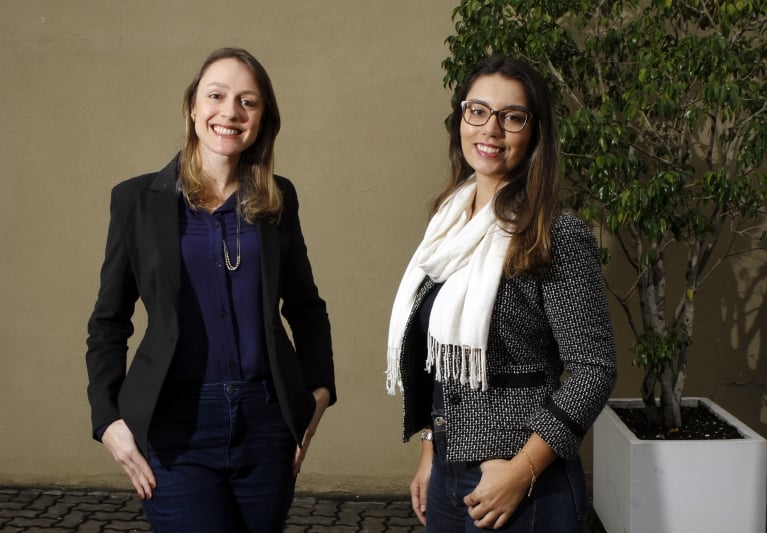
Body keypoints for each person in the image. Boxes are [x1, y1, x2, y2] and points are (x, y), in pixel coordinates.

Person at [86, 47, 336, 532]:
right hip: (174, 424)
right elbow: (109, 320)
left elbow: (306, 306)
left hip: (266, 420)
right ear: (193, 108)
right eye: (216, 96)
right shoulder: (136, 200)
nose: (231, 112)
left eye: (248, 101)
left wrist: (319, 391)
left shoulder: (279, 198)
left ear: (263, 118)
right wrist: (107, 420)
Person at [385, 55, 617, 532]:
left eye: (512, 117)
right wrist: (432, 446)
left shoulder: (555, 233)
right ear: (461, 120)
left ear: (534, 132)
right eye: (478, 111)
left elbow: (595, 368)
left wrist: (521, 470)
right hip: (450, 471)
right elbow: (441, 358)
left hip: (523, 485)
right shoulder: (448, 223)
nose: (490, 129)